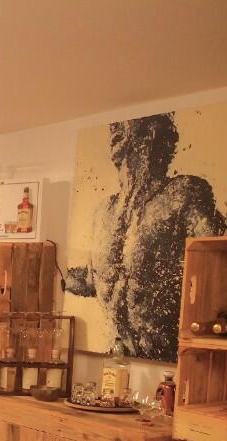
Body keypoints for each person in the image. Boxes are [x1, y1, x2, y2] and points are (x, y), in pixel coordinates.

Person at [67, 112, 225, 361]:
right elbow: (92, 280)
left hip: (178, 361)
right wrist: (50, 274)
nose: (114, 126)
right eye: (113, 124)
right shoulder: (103, 212)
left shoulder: (183, 194)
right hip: (121, 358)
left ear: (151, 133)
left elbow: (218, 260)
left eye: (125, 123)